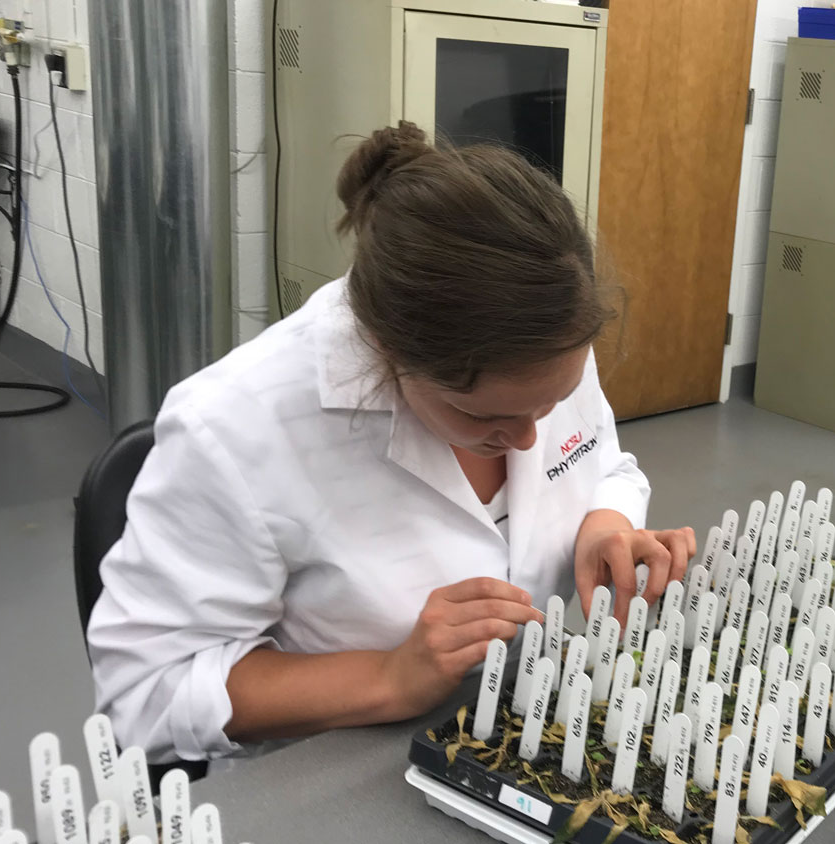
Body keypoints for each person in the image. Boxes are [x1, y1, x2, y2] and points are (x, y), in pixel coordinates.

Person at [87, 122, 697, 764]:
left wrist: (604, 527)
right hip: (338, 766)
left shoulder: (542, 343)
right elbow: (143, 694)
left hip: (505, 729)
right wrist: (389, 676)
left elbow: (604, 464)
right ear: (386, 351)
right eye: (481, 415)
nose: (528, 438)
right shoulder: (236, 428)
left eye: (548, 405)